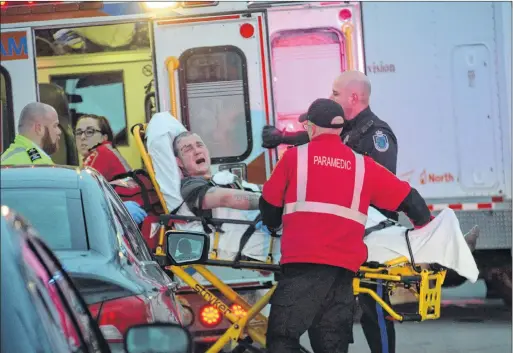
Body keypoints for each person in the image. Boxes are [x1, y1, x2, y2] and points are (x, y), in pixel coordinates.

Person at [258, 98, 435, 353]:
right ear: (340, 129)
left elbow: (270, 205)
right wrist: (425, 229)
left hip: (304, 266)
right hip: (343, 273)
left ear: (311, 127)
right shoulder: (363, 166)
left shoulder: (294, 158)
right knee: (331, 346)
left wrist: (273, 226)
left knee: (281, 339)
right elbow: (410, 199)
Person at [75, 114, 131, 182]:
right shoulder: (107, 149)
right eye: (78, 132)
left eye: (89, 132)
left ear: (104, 138)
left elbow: (83, 185)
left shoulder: (100, 153)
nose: (82, 137)